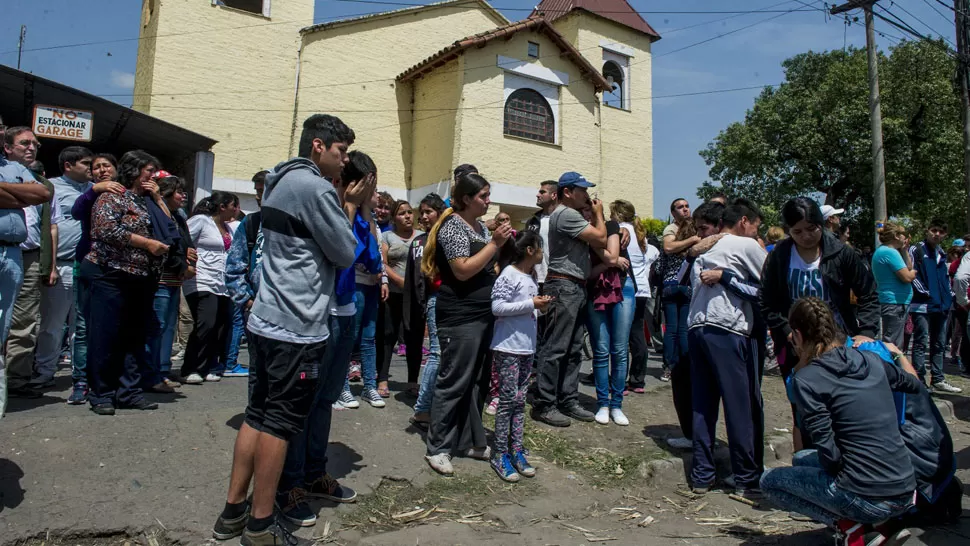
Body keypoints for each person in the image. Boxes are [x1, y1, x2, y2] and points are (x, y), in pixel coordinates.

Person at [211, 114, 359, 545]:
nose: (343, 160)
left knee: (256, 416)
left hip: (266, 318)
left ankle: (232, 512)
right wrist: (347, 205)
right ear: (318, 145)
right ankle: (260, 524)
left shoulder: (278, 180)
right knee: (278, 424)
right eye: (340, 151)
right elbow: (346, 252)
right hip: (296, 326)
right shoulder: (313, 188)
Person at [760, 298, 918, 546]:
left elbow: (830, 455)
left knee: (769, 482)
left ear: (798, 335)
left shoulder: (807, 379)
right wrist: (896, 355)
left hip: (869, 495)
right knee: (802, 459)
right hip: (907, 488)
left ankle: (851, 527)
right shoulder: (870, 360)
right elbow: (913, 384)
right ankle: (881, 523)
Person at [274, 151, 377, 526]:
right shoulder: (326, 205)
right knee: (305, 402)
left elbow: (373, 261)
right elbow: (341, 256)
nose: (376, 192)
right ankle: (291, 482)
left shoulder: (363, 216)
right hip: (321, 316)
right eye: (371, 184)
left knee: (325, 401)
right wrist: (350, 209)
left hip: (347, 311)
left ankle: (315, 472)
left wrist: (364, 214)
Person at [760, 197, 879, 453]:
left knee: (839, 407)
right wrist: (785, 330)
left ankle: (842, 463)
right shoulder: (780, 256)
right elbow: (766, 301)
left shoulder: (842, 253)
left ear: (821, 224)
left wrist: (866, 332)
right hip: (795, 346)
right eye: (797, 231)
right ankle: (804, 463)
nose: (805, 236)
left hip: (837, 343)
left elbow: (868, 293)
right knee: (802, 408)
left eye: (811, 228)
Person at [421, 173, 511, 475]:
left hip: (482, 314)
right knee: (454, 381)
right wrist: (494, 244)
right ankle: (438, 448)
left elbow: (486, 264)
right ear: (466, 199)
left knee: (476, 381)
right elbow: (461, 270)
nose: (488, 201)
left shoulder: (477, 228)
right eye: (483, 196)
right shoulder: (453, 227)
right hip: (460, 316)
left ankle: (469, 440)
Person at [687, 199, 766, 496]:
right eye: (756, 225)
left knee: (703, 405)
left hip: (696, 327)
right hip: (727, 328)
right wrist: (731, 279)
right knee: (739, 405)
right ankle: (746, 477)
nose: (758, 233)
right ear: (744, 221)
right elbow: (769, 287)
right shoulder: (746, 246)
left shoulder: (707, 248)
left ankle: (702, 474)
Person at [83, 150, 170, 415]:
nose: (152, 176)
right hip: (110, 273)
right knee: (105, 336)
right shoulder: (112, 196)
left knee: (134, 337)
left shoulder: (148, 201)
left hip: (141, 278)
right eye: (148, 171)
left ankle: (129, 392)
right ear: (134, 170)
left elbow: (168, 226)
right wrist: (146, 243)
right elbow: (105, 229)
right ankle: (102, 394)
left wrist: (157, 195)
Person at [531, 172, 607, 427]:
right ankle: (544, 403)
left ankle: (567, 399)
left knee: (573, 349)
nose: (587, 195)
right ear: (567, 192)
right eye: (582, 190)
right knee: (556, 348)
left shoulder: (568, 214)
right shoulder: (566, 215)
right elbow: (601, 238)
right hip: (564, 285)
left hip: (573, 286)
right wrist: (598, 214)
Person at [2, 127, 60, 400]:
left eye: (35, 144)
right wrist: (20, 196)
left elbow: (48, 220)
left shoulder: (41, 183)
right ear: (7, 147)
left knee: (25, 322)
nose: (31, 148)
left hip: (28, 256)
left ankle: (16, 379)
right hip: (6, 250)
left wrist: (50, 264)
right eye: (24, 143)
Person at [31, 146, 94, 388]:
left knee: (82, 326)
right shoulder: (51, 187)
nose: (91, 168)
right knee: (52, 324)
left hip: (87, 266)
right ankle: (45, 370)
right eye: (86, 164)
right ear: (68, 165)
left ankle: (81, 375)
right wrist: (51, 264)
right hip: (62, 265)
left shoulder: (94, 190)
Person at [489, 230, 547, 482]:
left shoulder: (531, 276)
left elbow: (526, 309)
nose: (543, 253)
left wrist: (540, 307)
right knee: (507, 402)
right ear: (530, 250)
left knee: (520, 402)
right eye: (541, 248)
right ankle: (500, 453)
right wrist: (531, 304)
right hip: (508, 347)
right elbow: (497, 307)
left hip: (526, 348)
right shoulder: (509, 273)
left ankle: (516, 449)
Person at [68, 153, 125, 404]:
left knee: (113, 327)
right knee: (83, 327)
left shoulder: (125, 194)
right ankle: (81, 381)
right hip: (88, 265)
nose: (102, 170)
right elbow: (76, 211)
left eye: (106, 166)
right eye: (96, 167)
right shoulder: (89, 194)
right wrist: (95, 190)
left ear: (116, 169)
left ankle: (109, 380)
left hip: (119, 269)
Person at [179, 191, 240, 385]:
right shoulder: (201, 221)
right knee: (206, 323)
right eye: (233, 205)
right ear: (223, 206)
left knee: (220, 327)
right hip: (202, 280)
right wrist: (187, 259)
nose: (236, 210)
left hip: (222, 283)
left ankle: (206, 367)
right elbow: (183, 238)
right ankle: (190, 367)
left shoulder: (228, 228)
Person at [144, 174, 196, 392]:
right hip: (162, 278)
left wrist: (189, 255)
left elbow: (185, 243)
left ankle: (163, 370)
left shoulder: (180, 216)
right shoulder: (156, 213)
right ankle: (151, 374)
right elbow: (169, 243)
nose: (182, 196)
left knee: (167, 328)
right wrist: (183, 264)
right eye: (178, 192)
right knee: (157, 327)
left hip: (175, 280)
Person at [584, 202, 634, 426]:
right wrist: (608, 263)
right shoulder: (579, 233)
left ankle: (617, 405)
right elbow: (592, 271)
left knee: (620, 349)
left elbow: (614, 255)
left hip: (623, 287)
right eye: (583, 210)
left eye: (590, 209)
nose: (586, 213)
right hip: (595, 291)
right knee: (601, 350)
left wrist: (606, 258)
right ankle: (603, 403)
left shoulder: (612, 226)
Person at [340, 188, 387, 409]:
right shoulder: (355, 218)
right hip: (356, 283)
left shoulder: (374, 222)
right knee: (351, 337)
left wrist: (383, 279)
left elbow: (378, 255)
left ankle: (369, 386)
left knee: (369, 338)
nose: (377, 196)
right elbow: (358, 252)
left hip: (372, 286)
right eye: (374, 192)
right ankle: (342, 387)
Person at [405, 193, 446, 428]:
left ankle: (433, 404)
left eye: (428, 212)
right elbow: (416, 278)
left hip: (449, 300)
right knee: (437, 353)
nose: (423, 217)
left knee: (442, 354)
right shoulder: (420, 242)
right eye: (422, 213)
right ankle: (422, 409)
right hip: (434, 299)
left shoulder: (446, 235)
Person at [225, 170, 268, 387]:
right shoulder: (251, 223)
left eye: (264, 191)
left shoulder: (295, 225)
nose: (260, 197)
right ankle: (255, 417)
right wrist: (247, 300)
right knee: (258, 372)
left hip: (287, 314)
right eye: (258, 191)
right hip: (257, 311)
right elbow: (234, 267)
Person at [611, 200, 658, 394]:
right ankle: (637, 379)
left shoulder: (620, 231)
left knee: (620, 337)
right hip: (642, 289)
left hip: (626, 287)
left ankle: (619, 380)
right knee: (637, 334)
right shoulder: (641, 236)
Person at [909, 219, 961, 393]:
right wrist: (925, 292)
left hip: (942, 305)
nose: (937, 234)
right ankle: (920, 379)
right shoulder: (916, 250)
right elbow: (912, 275)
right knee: (920, 342)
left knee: (938, 343)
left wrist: (950, 296)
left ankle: (938, 378)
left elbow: (945, 278)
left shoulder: (941, 252)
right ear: (927, 230)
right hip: (922, 305)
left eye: (941, 232)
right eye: (934, 230)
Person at [378, 200, 423, 397]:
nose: (407, 216)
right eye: (401, 213)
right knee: (388, 337)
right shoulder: (387, 236)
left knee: (414, 338)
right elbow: (383, 263)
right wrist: (400, 281)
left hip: (416, 298)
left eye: (409, 212)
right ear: (394, 218)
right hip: (393, 295)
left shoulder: (422, 237)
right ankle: (382, 379)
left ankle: (413, 381)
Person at [659, 198, 701, 384]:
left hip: (672, 284)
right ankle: (685, 365)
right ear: (673, 212)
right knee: (681, 329)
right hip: (684, 285)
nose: (685, 209)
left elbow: (662, 260)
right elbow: (667, 247)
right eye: (679, 207)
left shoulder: (688, 232)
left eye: (686, 206)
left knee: (673, 329)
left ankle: (670, 367)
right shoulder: (674, 231)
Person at [871, 223, 915, 347]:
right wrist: (913, 274)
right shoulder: (889, 252)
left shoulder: (889, 251)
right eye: (903, 235)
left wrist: (905, 250)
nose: (904, 238)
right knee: (893, 344)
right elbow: (907, 276)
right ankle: (891, 366)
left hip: (897, 302)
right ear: (896, 236)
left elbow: (908, 267)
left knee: (895, 342)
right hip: (894, 303)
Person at [525, 180, 558, 290]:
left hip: (557, 279)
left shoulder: (563, 219)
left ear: (554, 195)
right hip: (533, 278)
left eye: (542, 192)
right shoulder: (532, 221)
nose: (537, 195)